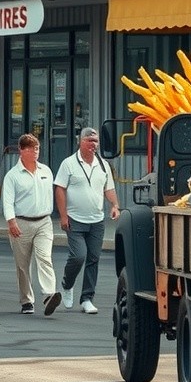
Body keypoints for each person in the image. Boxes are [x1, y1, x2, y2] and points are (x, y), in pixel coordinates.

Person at [54, 126, 120, 314]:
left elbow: (109, 189)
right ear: (80, 142)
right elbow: (60, 188)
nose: (94, 145)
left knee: (93, 258)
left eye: (96, 141)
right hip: (75, 219)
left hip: (96, 220)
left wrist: (114, 205)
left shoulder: (103, 165)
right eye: (90, 141)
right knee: (78, 256)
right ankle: (67, 285)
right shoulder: (69, 164)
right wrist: (63, 215)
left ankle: (87, 299)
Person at [1, 132, 61, 316]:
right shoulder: (13, 176)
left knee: (44, 258)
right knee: (22, 265)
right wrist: (11, 222)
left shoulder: (46, 171)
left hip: (43, 222)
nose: (35, 152)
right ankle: (27, 300)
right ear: (21, 151)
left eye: (37, 148)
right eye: (30, 149)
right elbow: (7, 201)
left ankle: (49, 294)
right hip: (21, 222)